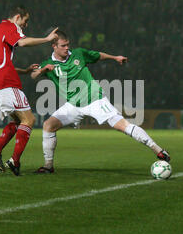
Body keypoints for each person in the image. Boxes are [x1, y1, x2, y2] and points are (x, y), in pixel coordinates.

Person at [30, 30, 171, 173]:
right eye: (63, 46)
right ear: (54, 46)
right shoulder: (48, 64)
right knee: (48, 125)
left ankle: (158, 150)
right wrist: (43, 70)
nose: (67, 48)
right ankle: (48, 165)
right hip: (74, 105)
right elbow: (33, 75)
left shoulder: (78, 53)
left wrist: (115, 57)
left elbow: (98, 55)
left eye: (68, 45)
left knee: (121, 125)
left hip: (94, 99)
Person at [0, 5, 58, 176]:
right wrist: (47, 39)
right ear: (17, 17)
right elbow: (23, 42)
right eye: (25, 21)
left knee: (18, 121)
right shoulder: (10, 27)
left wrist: (24, 71)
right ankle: (14, 161)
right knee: (29, 120)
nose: (25, 25)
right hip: (5, 81)